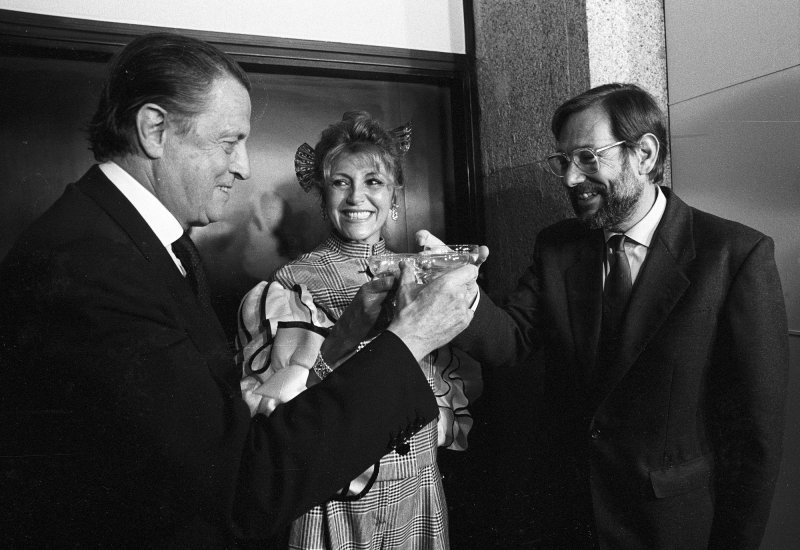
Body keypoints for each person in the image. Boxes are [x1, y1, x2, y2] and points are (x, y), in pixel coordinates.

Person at [0, 33, 479, 548]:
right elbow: (235, 483)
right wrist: (410, 340)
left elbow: (211, 429)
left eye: (376, 183)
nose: (245, 166)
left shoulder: (150, 247)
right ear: (155, 129)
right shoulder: (93, 265)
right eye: (230, 142)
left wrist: (345, 338)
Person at [444, 83, 789, 549]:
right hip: (570, 519)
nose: (569, 178)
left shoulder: (733, 256)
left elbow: (755, 438)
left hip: (673, 527)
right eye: (563, 161)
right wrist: (452, 288)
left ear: (644, 154)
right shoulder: (557, 247)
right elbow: (511, 339)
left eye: (587, 157)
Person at [236, 111, 482, 549]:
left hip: (418, 488)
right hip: (335, 497)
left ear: (395, 196)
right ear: (323, 195)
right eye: (340, 182)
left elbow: (446, 386)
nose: (356, 197)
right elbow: (284, 411)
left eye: (373, 181)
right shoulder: (295, 281)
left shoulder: (427, 269)